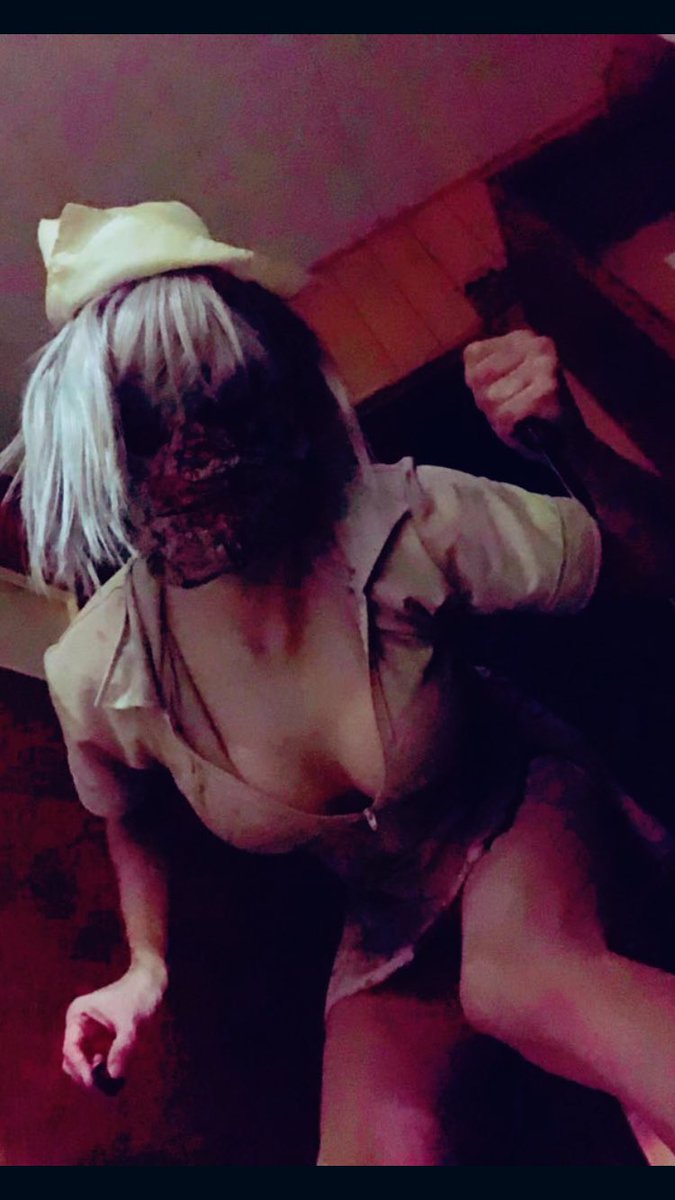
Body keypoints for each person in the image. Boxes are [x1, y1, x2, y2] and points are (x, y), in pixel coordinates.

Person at [5, 199, 675, 1166]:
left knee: (518, 980)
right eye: (148, 419)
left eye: (217, 397)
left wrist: (565, 441)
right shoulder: (103, 671)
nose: (194, 451)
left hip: (512, 812)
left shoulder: (397, 520)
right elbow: (129, 809)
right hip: (385, 918)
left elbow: (646, 564)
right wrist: (144, 963)